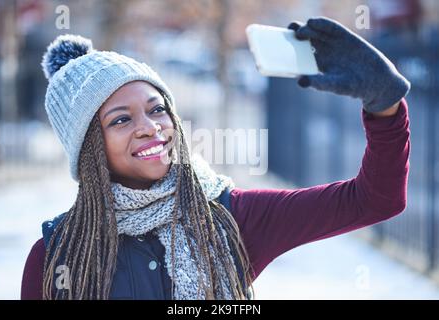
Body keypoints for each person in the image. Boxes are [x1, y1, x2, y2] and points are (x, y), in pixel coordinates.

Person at [21, 17, 411, 300]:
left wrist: (385, 106)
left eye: (157, 110)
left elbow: (374, 199)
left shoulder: (229, 218)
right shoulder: (55, 257)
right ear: (88, 148)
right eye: (121, 119)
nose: (150, 127)